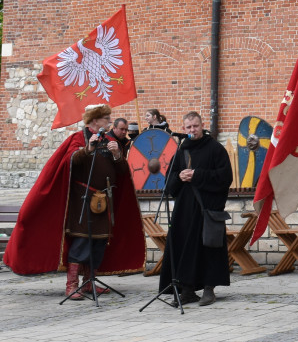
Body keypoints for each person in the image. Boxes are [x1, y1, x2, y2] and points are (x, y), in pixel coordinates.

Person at [3, 104, 145, 297]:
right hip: (83, 202)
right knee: (81, 243)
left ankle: (89, 283)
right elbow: (70, 162)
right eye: (106, 118)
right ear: (95, 120)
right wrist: (87, 149)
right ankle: (72, 285)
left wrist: (118, 155)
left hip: (105, 201)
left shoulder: (111, 140)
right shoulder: (78, 138)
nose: (109, 121)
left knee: (99, 243)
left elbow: (121, 172)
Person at [159, 111, 233, 307]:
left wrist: (197, 175)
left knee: (208, 248)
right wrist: (179, 177)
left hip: (207, 208)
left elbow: (225, 177)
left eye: (196, 126)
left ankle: (209, 289)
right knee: (184, 248)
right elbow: (169, 182)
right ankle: (187, 290)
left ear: (202, 126)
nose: (193, 130)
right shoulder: (182, 150)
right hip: (184, 210)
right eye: (189, 127)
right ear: (184, 129)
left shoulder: (215, 149)